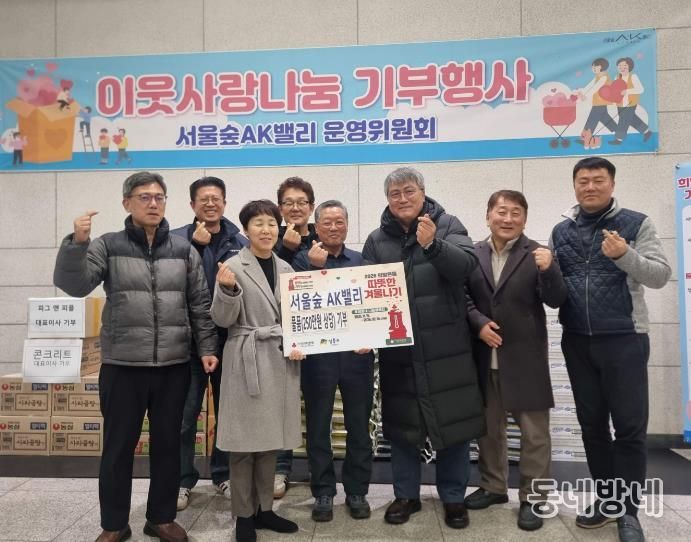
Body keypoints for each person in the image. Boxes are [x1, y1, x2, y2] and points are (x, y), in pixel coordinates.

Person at [53, 171, 218, 542]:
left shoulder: (183, 249)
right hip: (123, 366)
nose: (153, 203)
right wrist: (77, 244)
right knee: (117, 448)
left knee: (168, 446)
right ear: (127, 202)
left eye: (159, 197)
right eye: (144, 197)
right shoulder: (108, 245)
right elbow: (75, 285)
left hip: (173, 366)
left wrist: (208, 348)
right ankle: (114, 524)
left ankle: (161, 518)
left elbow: (199, 303)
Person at [550, 157, 671, 542]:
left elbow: (660, 275)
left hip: (625, 339)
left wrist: (624, 255)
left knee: (630, 429)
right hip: (577, 340)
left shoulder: (636, 223)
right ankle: (607, 500)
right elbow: (556, 288)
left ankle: (628, 512)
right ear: (575, 186)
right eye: (583, 181)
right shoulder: (560, 231)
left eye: (598, 180)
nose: (590, 186)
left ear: (612, 184)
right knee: (592, 427)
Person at [362, 167, 484, 529]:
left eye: (409, 191)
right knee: (403, 428)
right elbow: (364, 293)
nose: (402, 198)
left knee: (453, 424)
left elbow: (466, 267)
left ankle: (453, 497)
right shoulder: (376, 240)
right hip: (399, 351)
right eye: (395, 193)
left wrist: (433, 245)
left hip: (447, 346)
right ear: (387, 199)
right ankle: (406, 496)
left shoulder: (447, 225)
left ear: (423, 192)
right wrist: (362, 334)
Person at [464, 190, 567, 531]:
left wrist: (550, 270)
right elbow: (463, 298)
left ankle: (534, 498)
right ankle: (493, 487)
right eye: (501, 211)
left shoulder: (537, 254)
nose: (507, 219)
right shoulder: (472, 254)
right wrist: (478, 324)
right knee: (489, 431)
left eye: (516, 213)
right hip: (483, 357)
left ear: (524, 218)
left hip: (525, 359)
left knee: (534, 435)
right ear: (488, 216)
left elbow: (556, 299)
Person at [211, 200, 303, 542]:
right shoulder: (233, 266)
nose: (266, 230)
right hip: (246, 359)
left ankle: (265, 509)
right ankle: (244, 516)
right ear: (246, 230)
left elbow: (297, 317)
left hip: (279, 359)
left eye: (271, 223)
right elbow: (221, 319)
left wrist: (300, 342)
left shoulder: (286, 268)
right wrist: (227, 290)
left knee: (269, 443)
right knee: (243, 445)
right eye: (258, 223)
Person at [292, 200, 375, 522]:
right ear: (316, 226)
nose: (334, 227)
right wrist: (314, 269)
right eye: (326, 222)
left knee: (359, 427)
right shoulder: (302, 260)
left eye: (339, 221)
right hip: (318, 359)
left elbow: (372, 306)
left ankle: (357, 491)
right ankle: (323, 492)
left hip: (357, 358)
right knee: (317, 427)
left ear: (348, 225)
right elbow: (296, 302)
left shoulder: (361, 261)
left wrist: (370, 336)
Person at [171, 176, 247, 511]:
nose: (211, 203)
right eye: (204, 199)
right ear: (192, 205)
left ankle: (223, 474)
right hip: (187, 345)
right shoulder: (176, 241)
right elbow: (172, 282)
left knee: (229, 415)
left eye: (217, 198)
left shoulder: (240, 242)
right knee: (185, 417)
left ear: (225, 203)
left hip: (229, 342)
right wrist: (196, 247)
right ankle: (181, 481)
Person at [272, 176, 318, 498]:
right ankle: (280, 469)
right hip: (280, 336)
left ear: (311, 207)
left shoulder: (322, 239)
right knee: (282, 406)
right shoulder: (269, 239)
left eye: (302, 202)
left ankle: (319, 468)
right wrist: (285, 250)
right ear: (280, 208)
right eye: (288, 202)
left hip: (316, 337)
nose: (295, 208)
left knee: (317, 406)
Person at [608, 57, 653, 145]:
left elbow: (641, 89)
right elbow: (615, 90)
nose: (622, 67)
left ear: (629, 66)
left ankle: (619, 139)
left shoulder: (633, 77)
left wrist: (627, 91)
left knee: (623, 120)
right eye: (620, 65)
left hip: (630, 103)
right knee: (632, 119)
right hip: (620, 104)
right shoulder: (616, 77)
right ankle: (646, 131)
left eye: (625, 65)